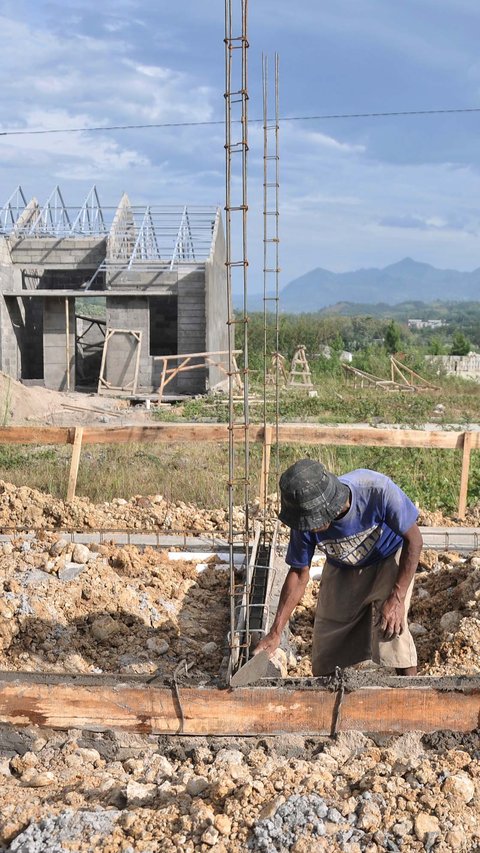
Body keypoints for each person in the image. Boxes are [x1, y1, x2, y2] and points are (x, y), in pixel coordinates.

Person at [254, 458, 422, 676]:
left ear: (330, 506)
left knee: (391, 630)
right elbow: (298, 573)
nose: (310, 529)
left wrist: (397, 598)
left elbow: (415, 541)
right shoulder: (303, 520)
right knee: (328, 649)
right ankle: (330, 703)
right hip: (342, 564)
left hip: (388, 557)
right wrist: (275, 632)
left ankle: (410, 698)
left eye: (313, 521)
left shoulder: (376, 490)